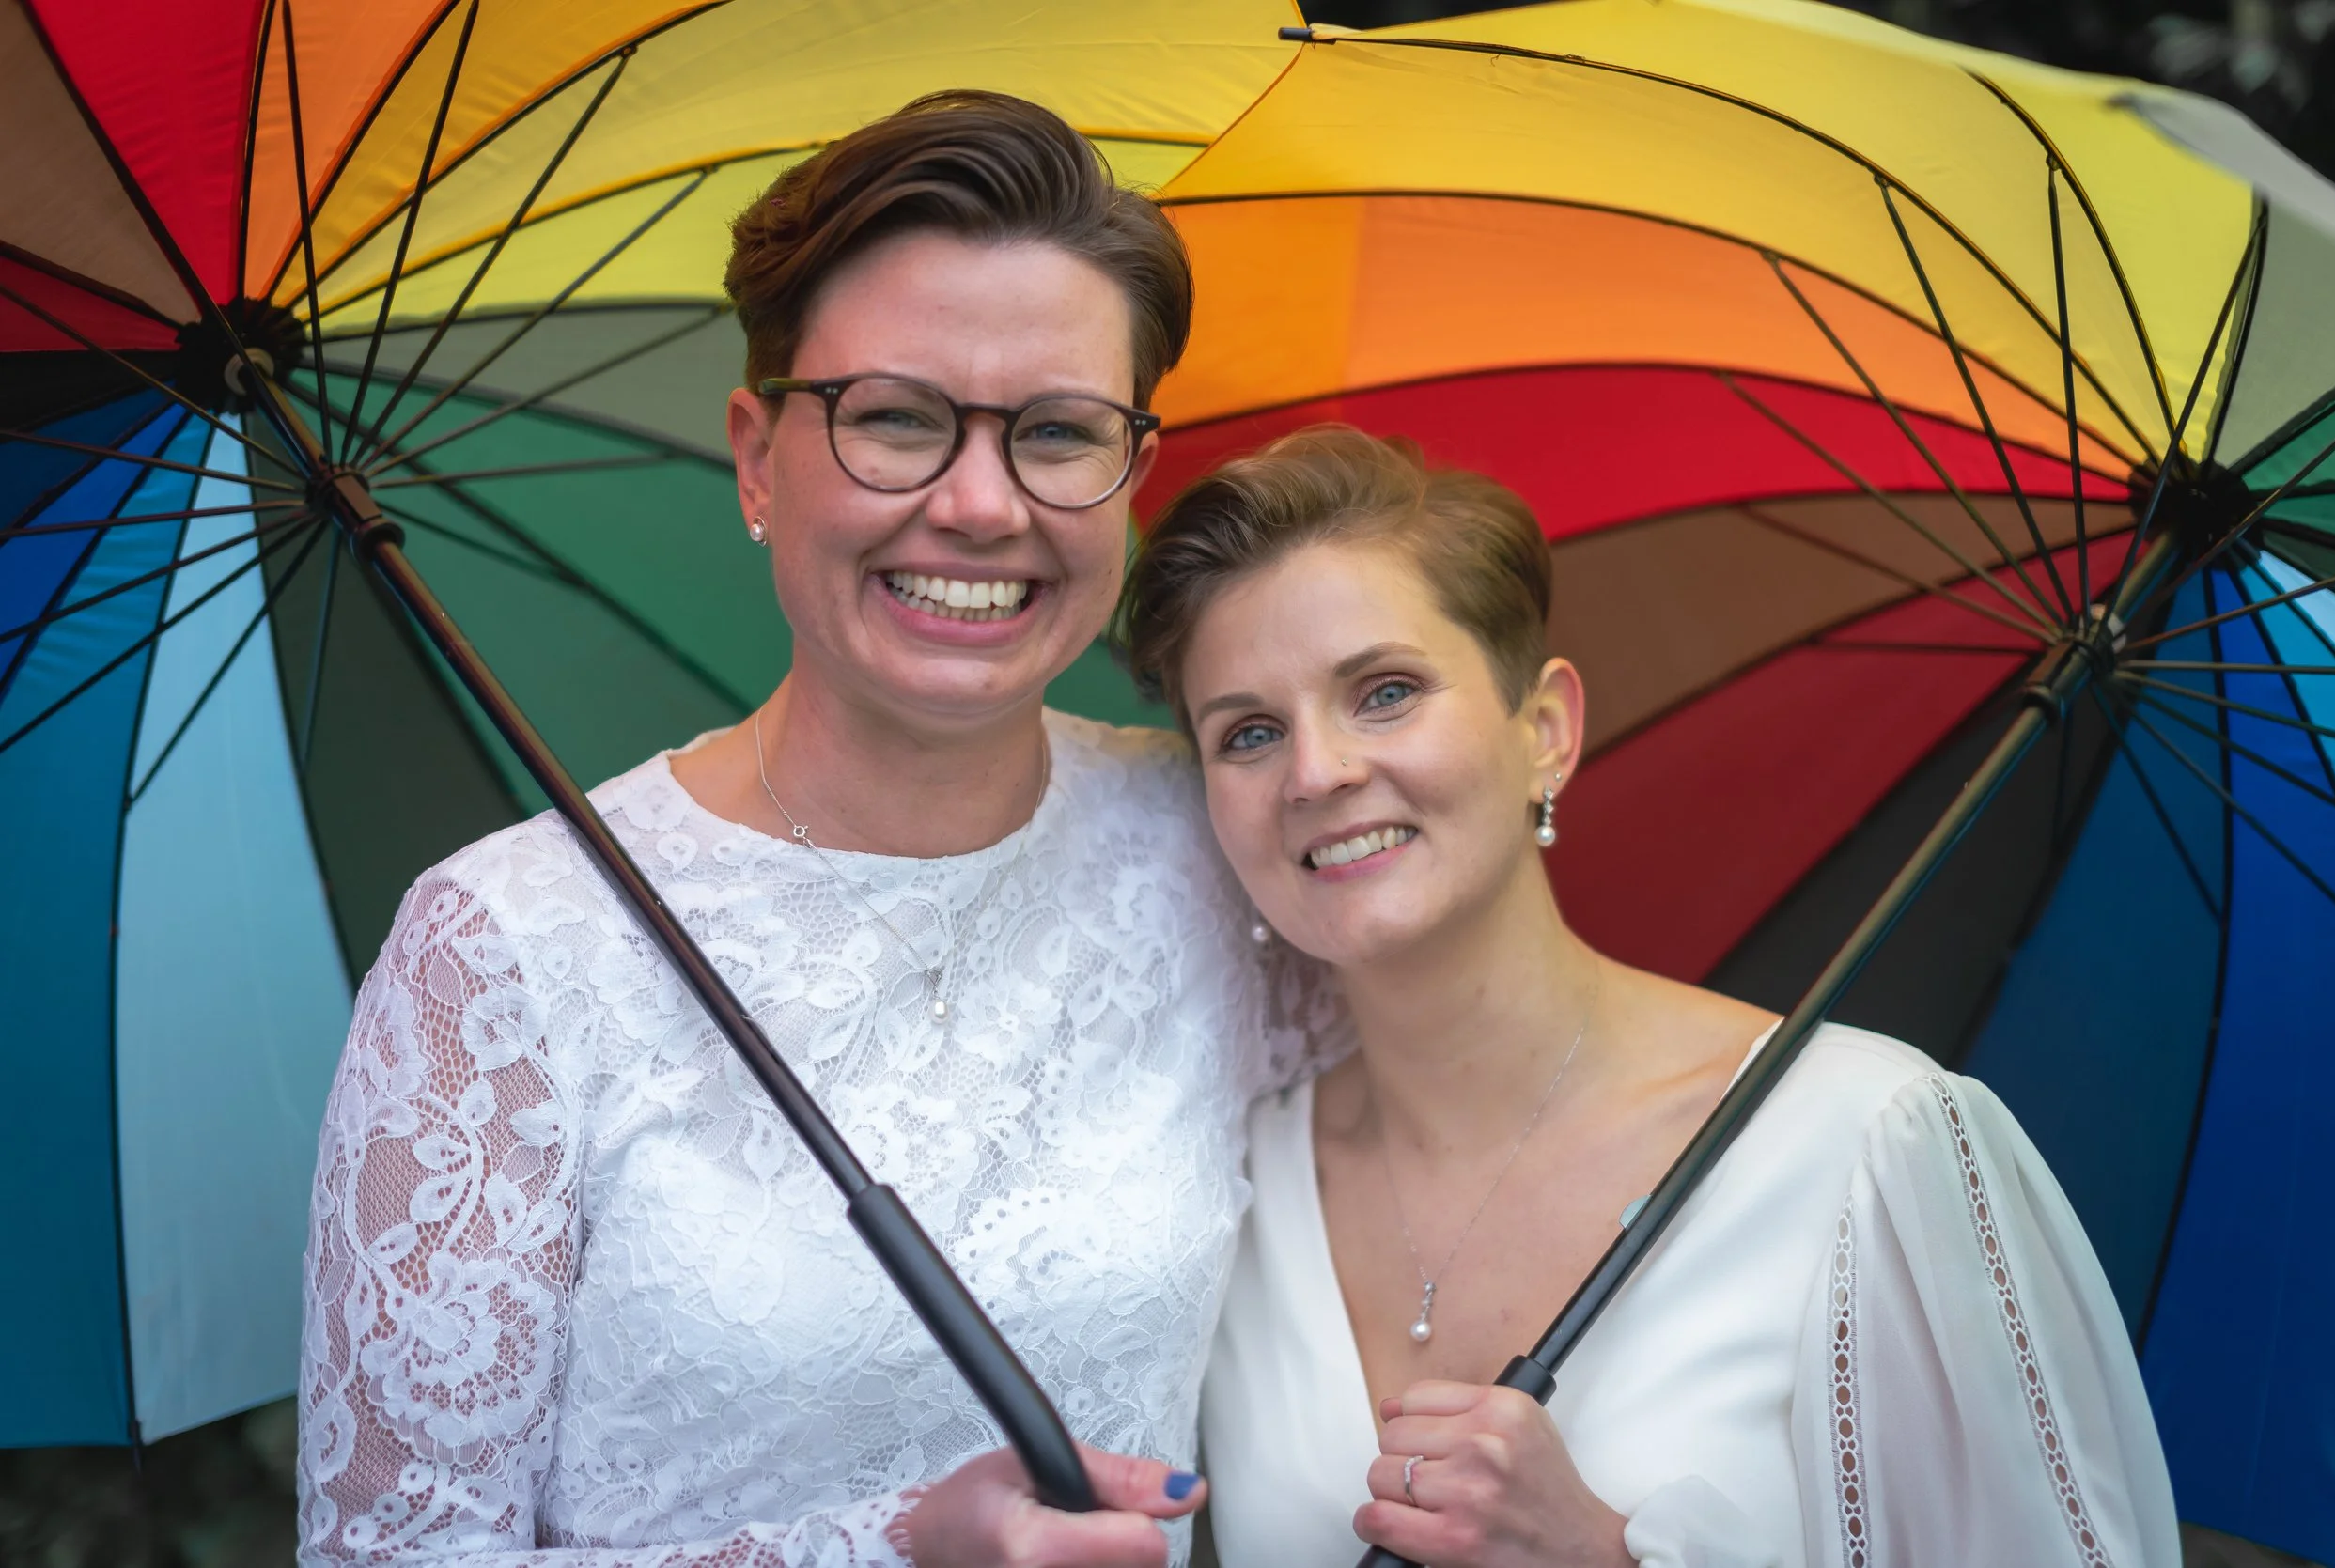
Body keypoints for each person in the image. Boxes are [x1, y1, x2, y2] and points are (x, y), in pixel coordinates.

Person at [295, 93, 1340, 1568]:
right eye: (898, 419)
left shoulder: (1215, 839)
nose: (982, 505)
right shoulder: (507, 954)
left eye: (1057, 433)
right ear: (756, 455)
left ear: (1131, 474)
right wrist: (888, 1554)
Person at [1117, 427, 2180, 1568]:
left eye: (1383, 691)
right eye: (1250, 733)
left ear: (1545, 732)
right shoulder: (1237, 1192)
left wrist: (1598, 1556)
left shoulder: (1861, 1143)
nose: (1315, 771)